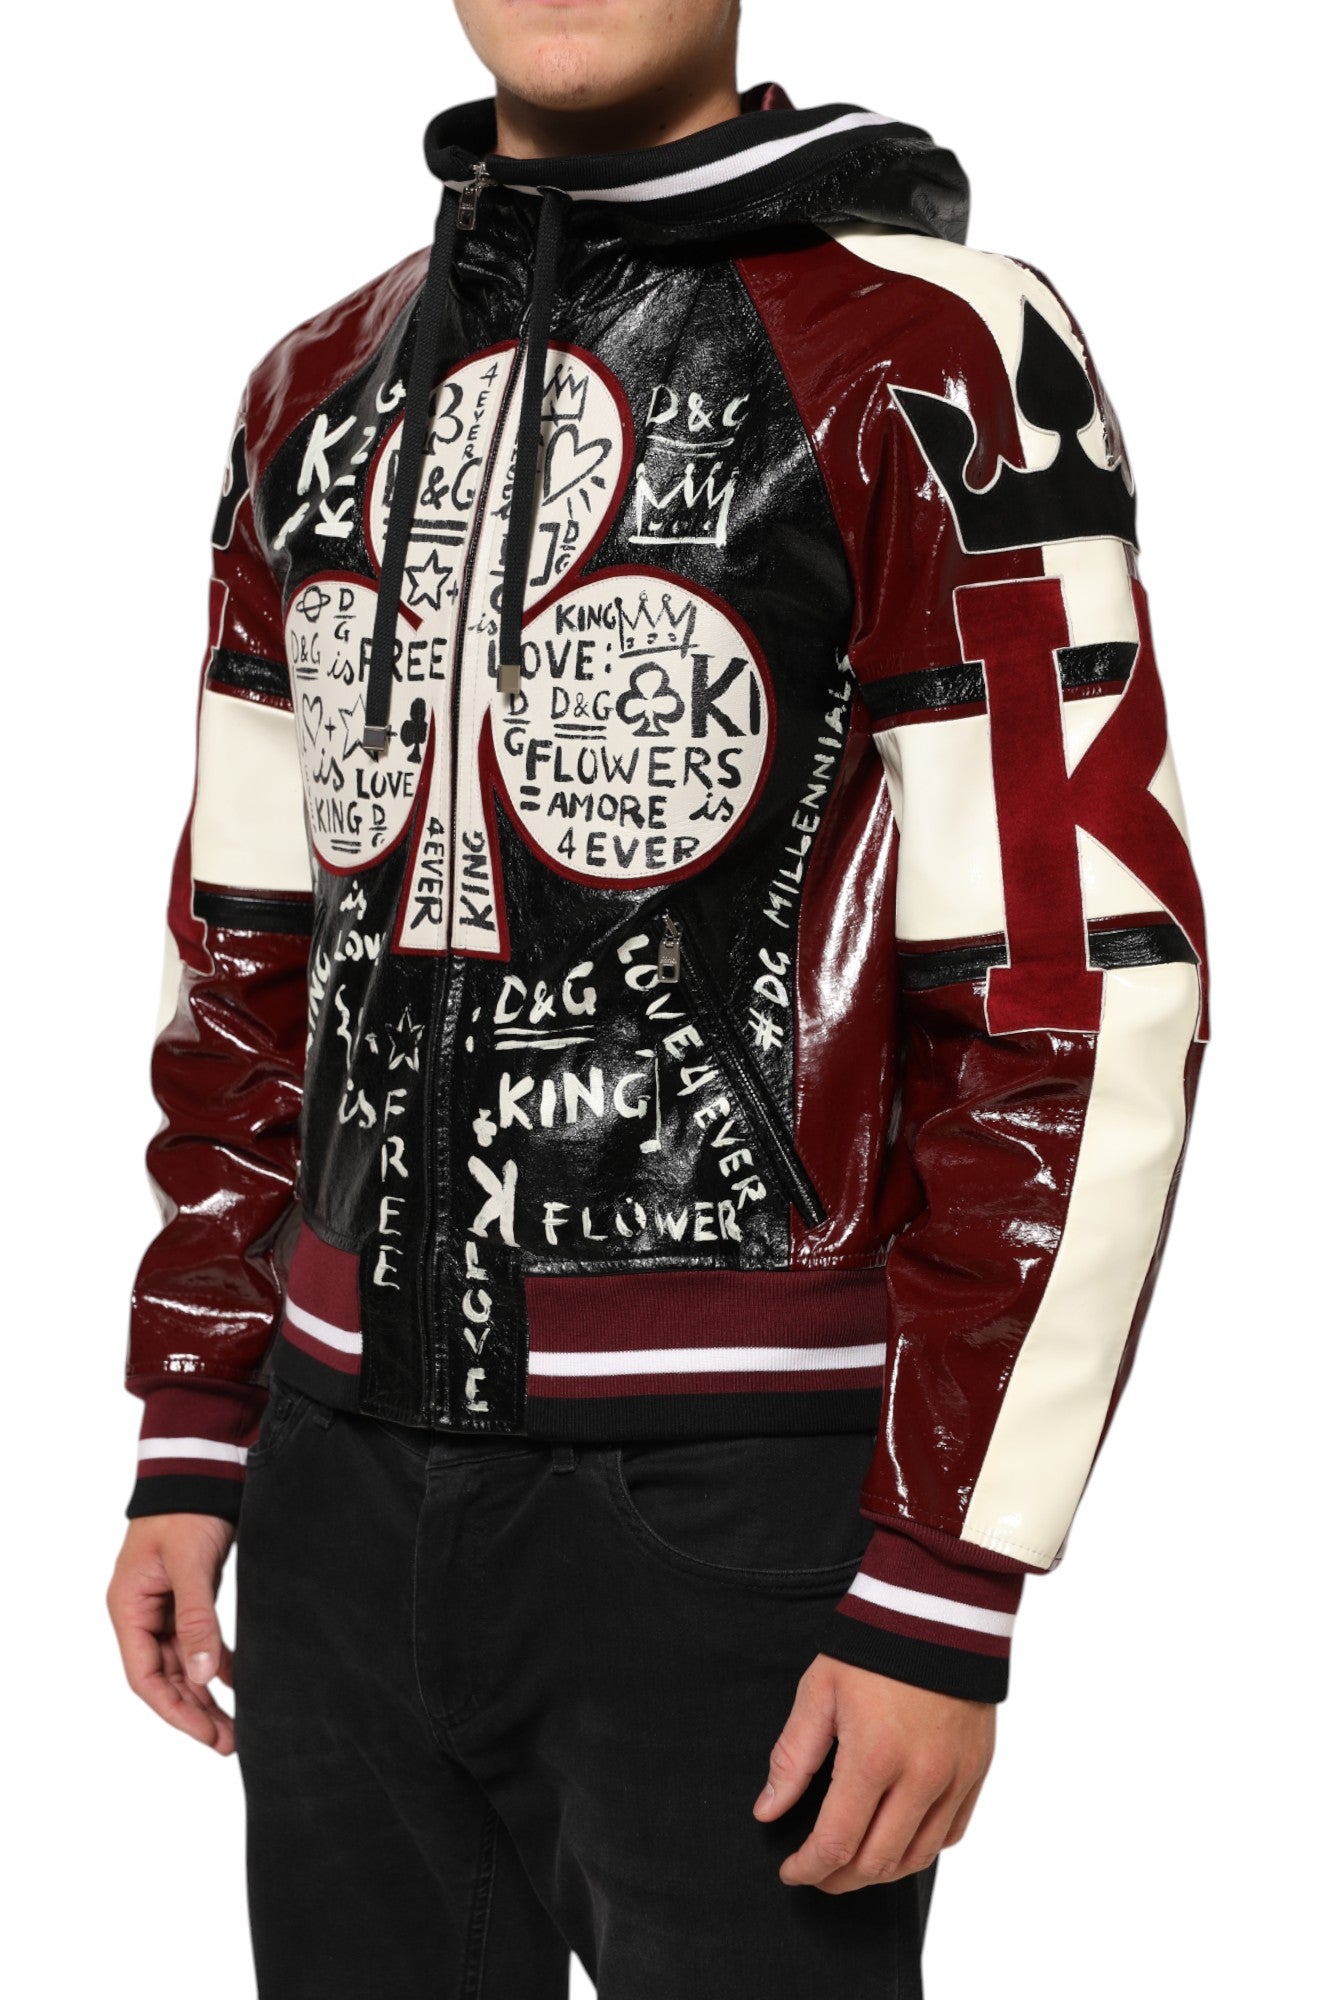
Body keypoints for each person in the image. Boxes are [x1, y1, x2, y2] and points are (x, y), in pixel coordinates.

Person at [105, 1, 1210, 1993]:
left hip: (738, 1504)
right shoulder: (315, 383)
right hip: (334, 1478)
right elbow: (251, 943)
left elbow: (1073, 981)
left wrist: (944, 1573)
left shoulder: (929, 349)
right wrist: (197, 1418)